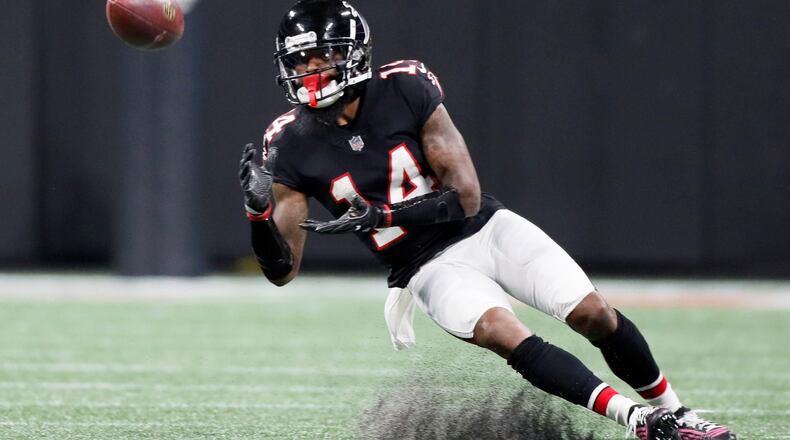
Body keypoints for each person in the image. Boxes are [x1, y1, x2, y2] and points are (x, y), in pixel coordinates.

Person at [238, 1, 736, 439]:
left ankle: (677, 412)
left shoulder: (406, 87)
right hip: (423, 267)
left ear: (353, 52)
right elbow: (282, 271)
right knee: (503, 329)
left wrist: (383, 213)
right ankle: (641, 423)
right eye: (298, 59)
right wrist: (258, 213)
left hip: (485, 230)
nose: (308, 69)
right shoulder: (288, 142)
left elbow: (467, 197)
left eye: (319, 55)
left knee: (593, 314)